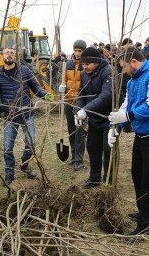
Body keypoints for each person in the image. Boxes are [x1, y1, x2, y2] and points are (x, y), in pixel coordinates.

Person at [108, 46, 149, 235]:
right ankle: (142, 211)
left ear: (134, 62)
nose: (123, 72)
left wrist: (127, 117)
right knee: (138, 175)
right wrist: (115, 126)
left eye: (124, 67)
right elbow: (127, 104)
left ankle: (148, 223)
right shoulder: (133, 81)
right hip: (143, 134)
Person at [0, 47, 52, 185]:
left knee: (31, 143)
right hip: (10, 116)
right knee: (7, 147)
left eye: (12, 53)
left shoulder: (24, 71)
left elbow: (35, 87)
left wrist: (44, 95)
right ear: (2, 56)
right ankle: (9, 173)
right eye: (7, 52)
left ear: (16, 56)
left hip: (27, 113)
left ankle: (25, 165)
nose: (9, 55)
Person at [75, 47, 112, 188]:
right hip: (94, 117)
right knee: (92, 147)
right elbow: (81, 94)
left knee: (108, 149)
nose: (85, 67)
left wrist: (85, 110)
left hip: (109, 117)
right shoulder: (85, 74)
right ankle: (94, 178)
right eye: (83, 64)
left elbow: (106, 96)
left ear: (96, 62)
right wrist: (79, 111)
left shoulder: (107, 72)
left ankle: (109, 179)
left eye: (88, 64)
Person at [59, 40, 87, 171]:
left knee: (79, 131)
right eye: (76, 50)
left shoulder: (86, 65)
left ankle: (79, 159)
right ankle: (73, 155)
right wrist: (60, 87)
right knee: (71, 130)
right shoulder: (67, 64)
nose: (77, 53)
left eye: (80, 50)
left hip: (80, 102)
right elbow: (63, 80)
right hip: (68, 101)